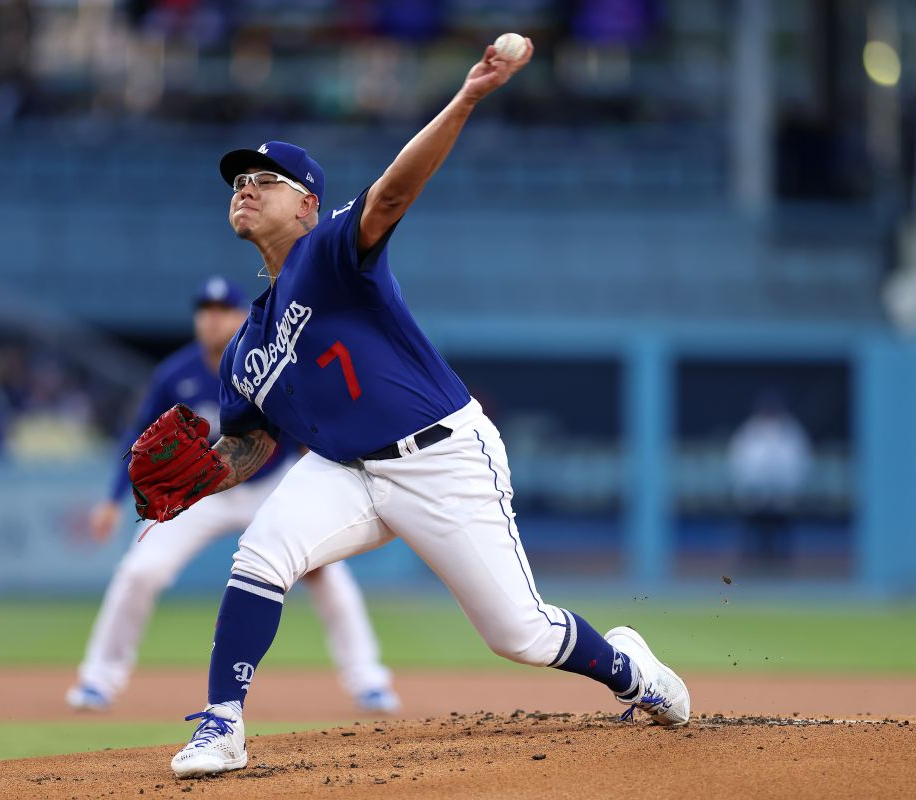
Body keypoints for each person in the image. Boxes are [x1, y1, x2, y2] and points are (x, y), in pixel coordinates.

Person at [156, 39, 690, 779]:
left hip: (441, 456)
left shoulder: (332, 252)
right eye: (238, 181)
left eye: (264, 179)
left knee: (521, 635)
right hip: (346, 471)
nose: (244, 187)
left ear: (308, 203)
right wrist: (200, 478)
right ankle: (222, 726)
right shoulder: (246, 347)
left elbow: (394, 193)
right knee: (261, 552)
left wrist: (467, 95)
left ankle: (631, 669)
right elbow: (248, 445)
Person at [66, 276, 399, 714]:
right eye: (205, 310)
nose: (212, 319)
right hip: (200, 494)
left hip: (270, 485)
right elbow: (136, 436)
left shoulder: (270, 366)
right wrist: (112, 499)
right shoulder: (175, 374)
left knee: (327, 575)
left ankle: (368, 680)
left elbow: (310, 427)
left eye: (223, 310)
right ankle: (98, 680)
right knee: (140, 572)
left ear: (244, 317)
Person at [727, 390, 812, 570]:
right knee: (752, 538)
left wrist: (790, 491)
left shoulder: (791, 432)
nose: (770, 414)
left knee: (782, 541)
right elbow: (738, 462)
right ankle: (750, 571)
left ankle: (782, 571)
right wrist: (746, 490)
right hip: (754, 494)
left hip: (782, 495)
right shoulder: (748, 431)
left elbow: (800, 463)